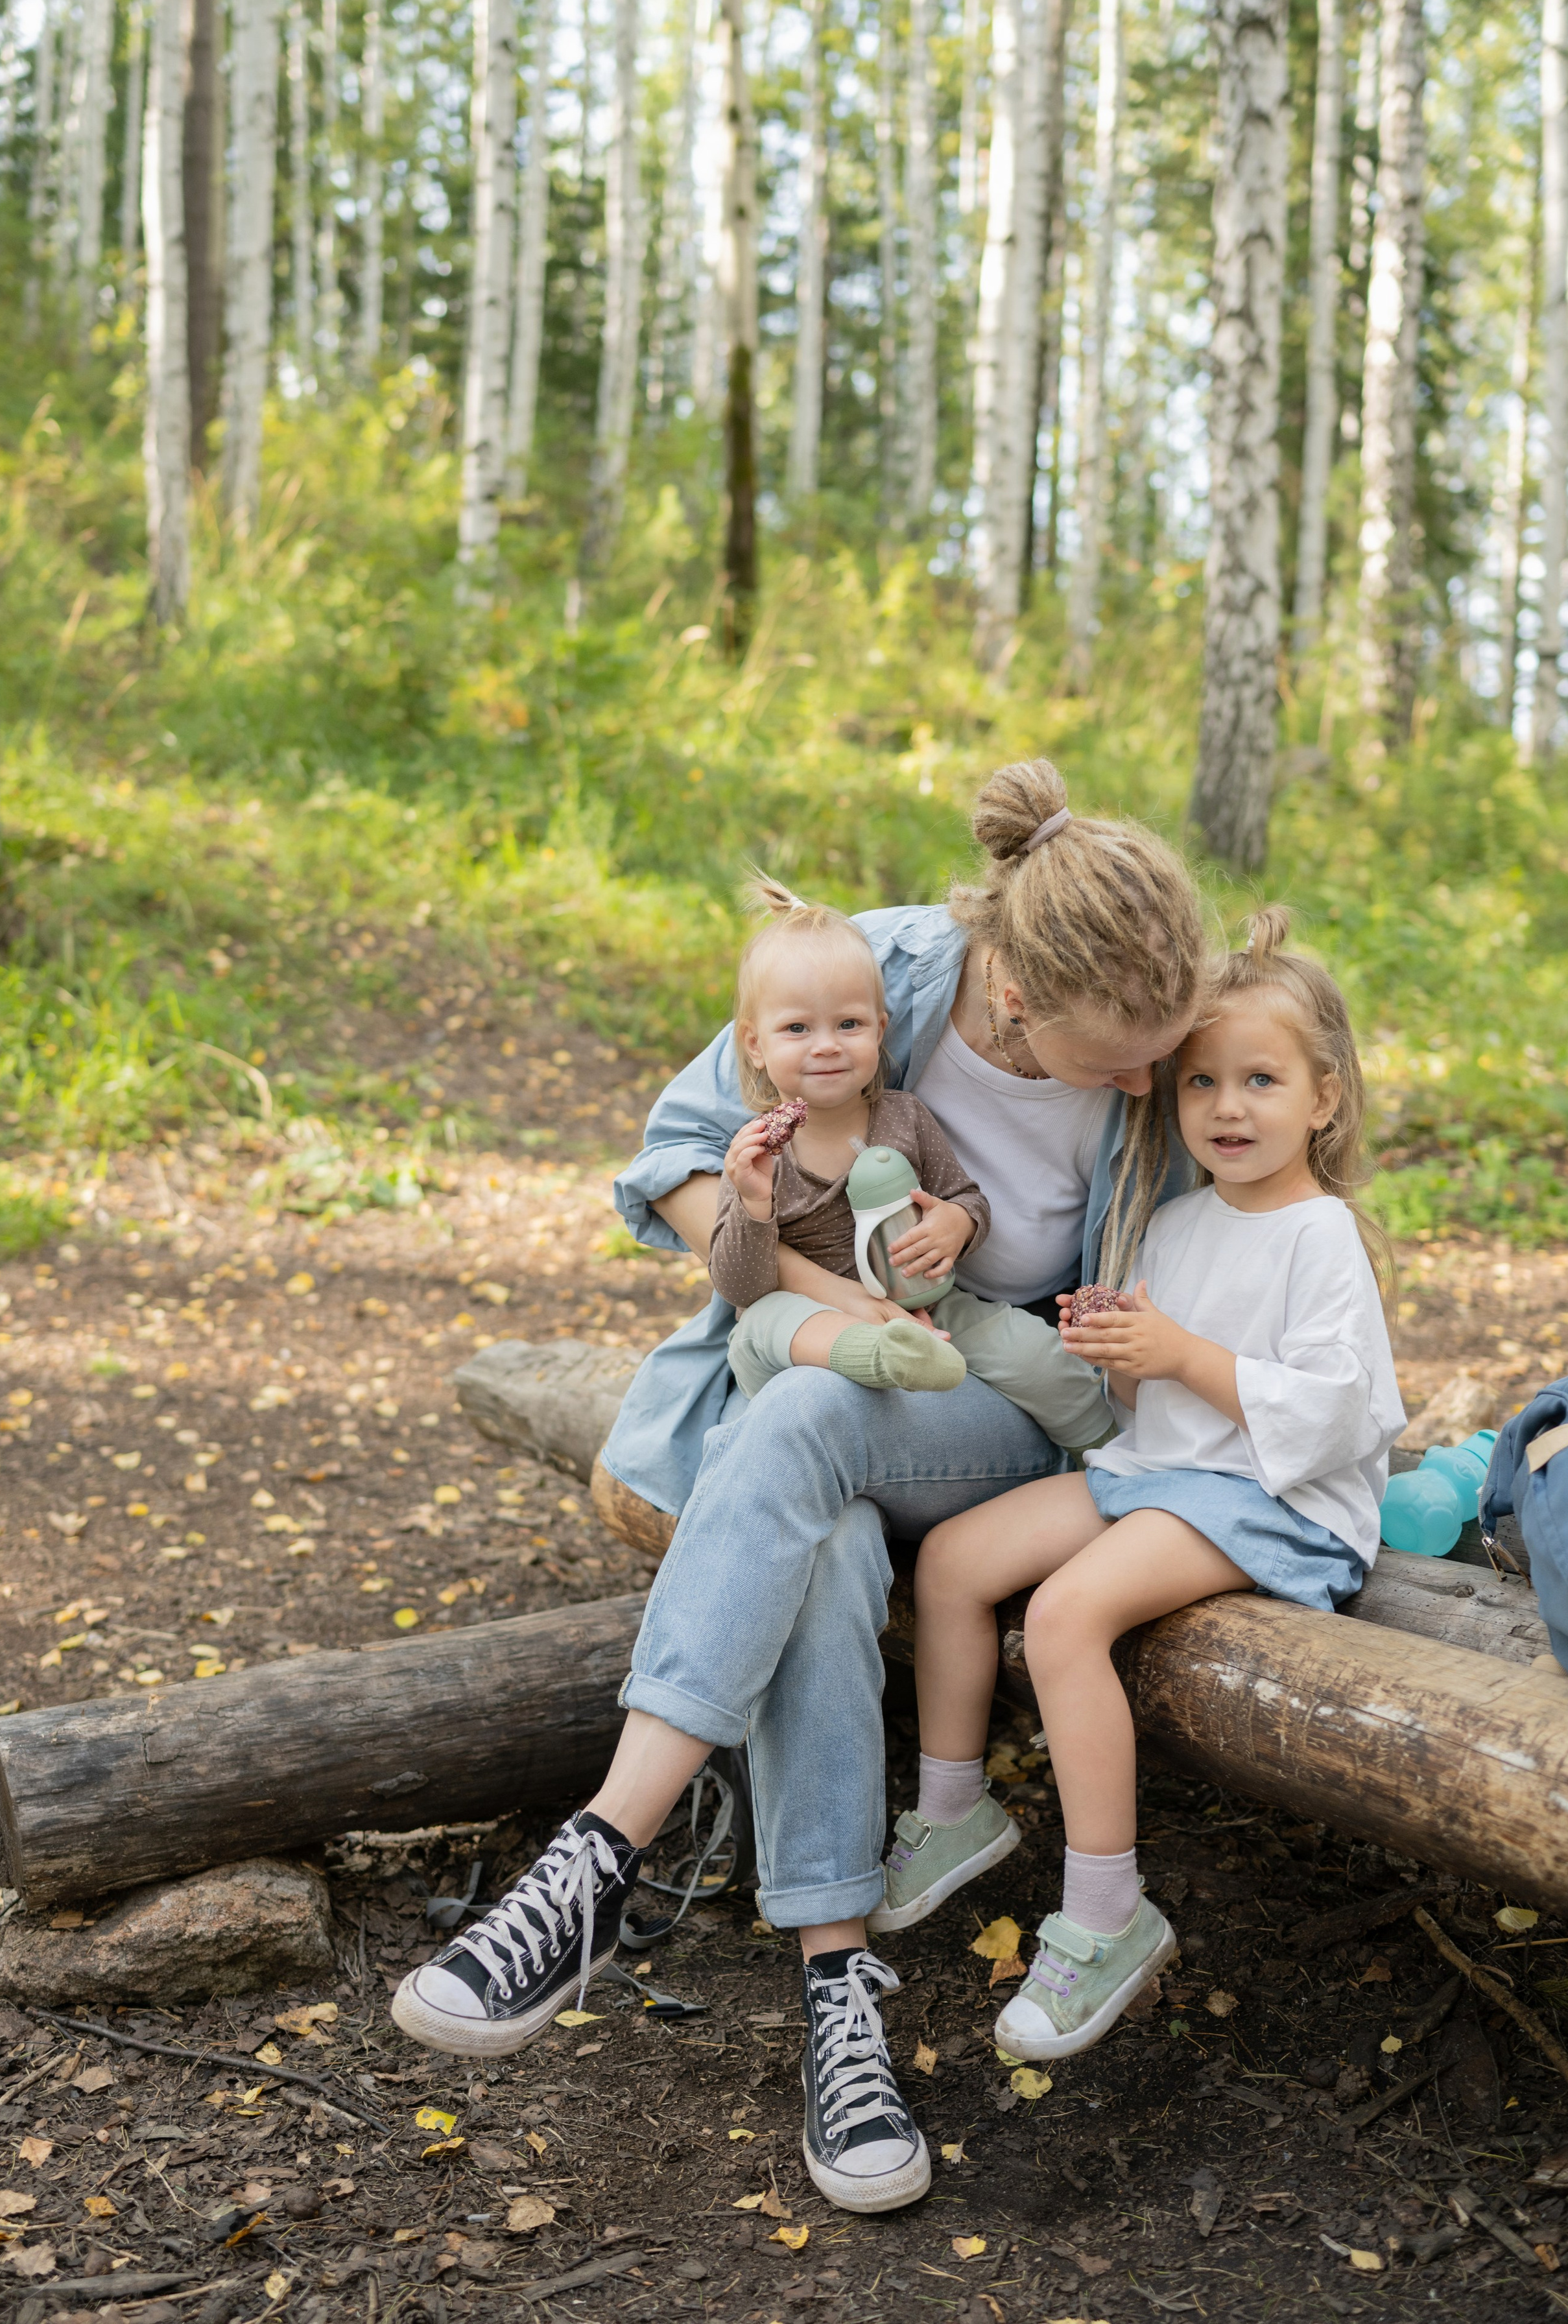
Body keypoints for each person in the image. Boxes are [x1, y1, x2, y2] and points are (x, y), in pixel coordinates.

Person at [392, 759, 1209, 2216]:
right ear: (1011, 989)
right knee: (820, 1530)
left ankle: (594, 1858)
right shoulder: (863, 975)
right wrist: (820, 1287)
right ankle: (844, 1999)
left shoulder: (1159, 1053)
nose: (1153, 1083)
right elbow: (670, 1166)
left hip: (1002, 1429)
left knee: (806, 1421)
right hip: (828, 1394)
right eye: (1118, 1058)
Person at [882, 908, 1403, 2063]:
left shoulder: (1323, 1237)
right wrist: (1114, 1350)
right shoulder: (1172, 1220)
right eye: (1202, 1081)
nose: (1226, 1106)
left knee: (1066, 1616)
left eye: (1261, 1079)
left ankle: (1110, 1913)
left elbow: (1337, 1416)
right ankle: (955, 1810)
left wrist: (1175, 1357)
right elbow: (1145, 1408)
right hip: (1163, 1472)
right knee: (956, 1560)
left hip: (1280, 1503)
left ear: (1325, 1096)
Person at [709, 876, 1115, 1452]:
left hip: (923, 1305)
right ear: (755, 1044)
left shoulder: (903, 1116)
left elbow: (966, 1195)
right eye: (797, 1029)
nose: (825, 1045)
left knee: (1033, 1354)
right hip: (806, 1317)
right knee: (764, 1323)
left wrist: (958, 1223)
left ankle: (1107, 1452)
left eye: (848, 1025)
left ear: (880, 1029)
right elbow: (740, 1284)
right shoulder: (757, 1153)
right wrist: (752, 1203)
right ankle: (880, 1355)